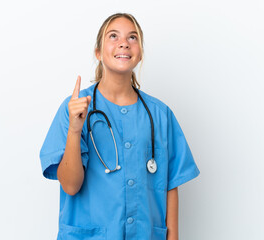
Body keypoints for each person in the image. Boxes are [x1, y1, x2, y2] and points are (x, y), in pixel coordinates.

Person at [39, 13, 200, 240]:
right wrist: (75, 129)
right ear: (98, 52)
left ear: (140, 53)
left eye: (132, 37)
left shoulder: (160, 115)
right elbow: (71, 186)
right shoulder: (75, 108)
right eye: (113, 36)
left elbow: (171, 186)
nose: (124, 42)